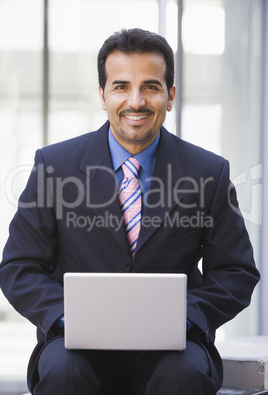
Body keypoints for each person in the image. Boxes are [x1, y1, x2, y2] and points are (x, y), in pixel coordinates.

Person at [0, 28, 260, 395]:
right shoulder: (54, 166)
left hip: (173, 346)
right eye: (121, 86)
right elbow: (18, 267)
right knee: (63, 372)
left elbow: (236, 271)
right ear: (103, 95)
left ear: (170, 96)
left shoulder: (208, 173)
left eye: (151, 87)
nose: (135, 101)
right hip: (76, 344)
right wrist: (68, 317)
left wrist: (182, 318)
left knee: (184, 374)